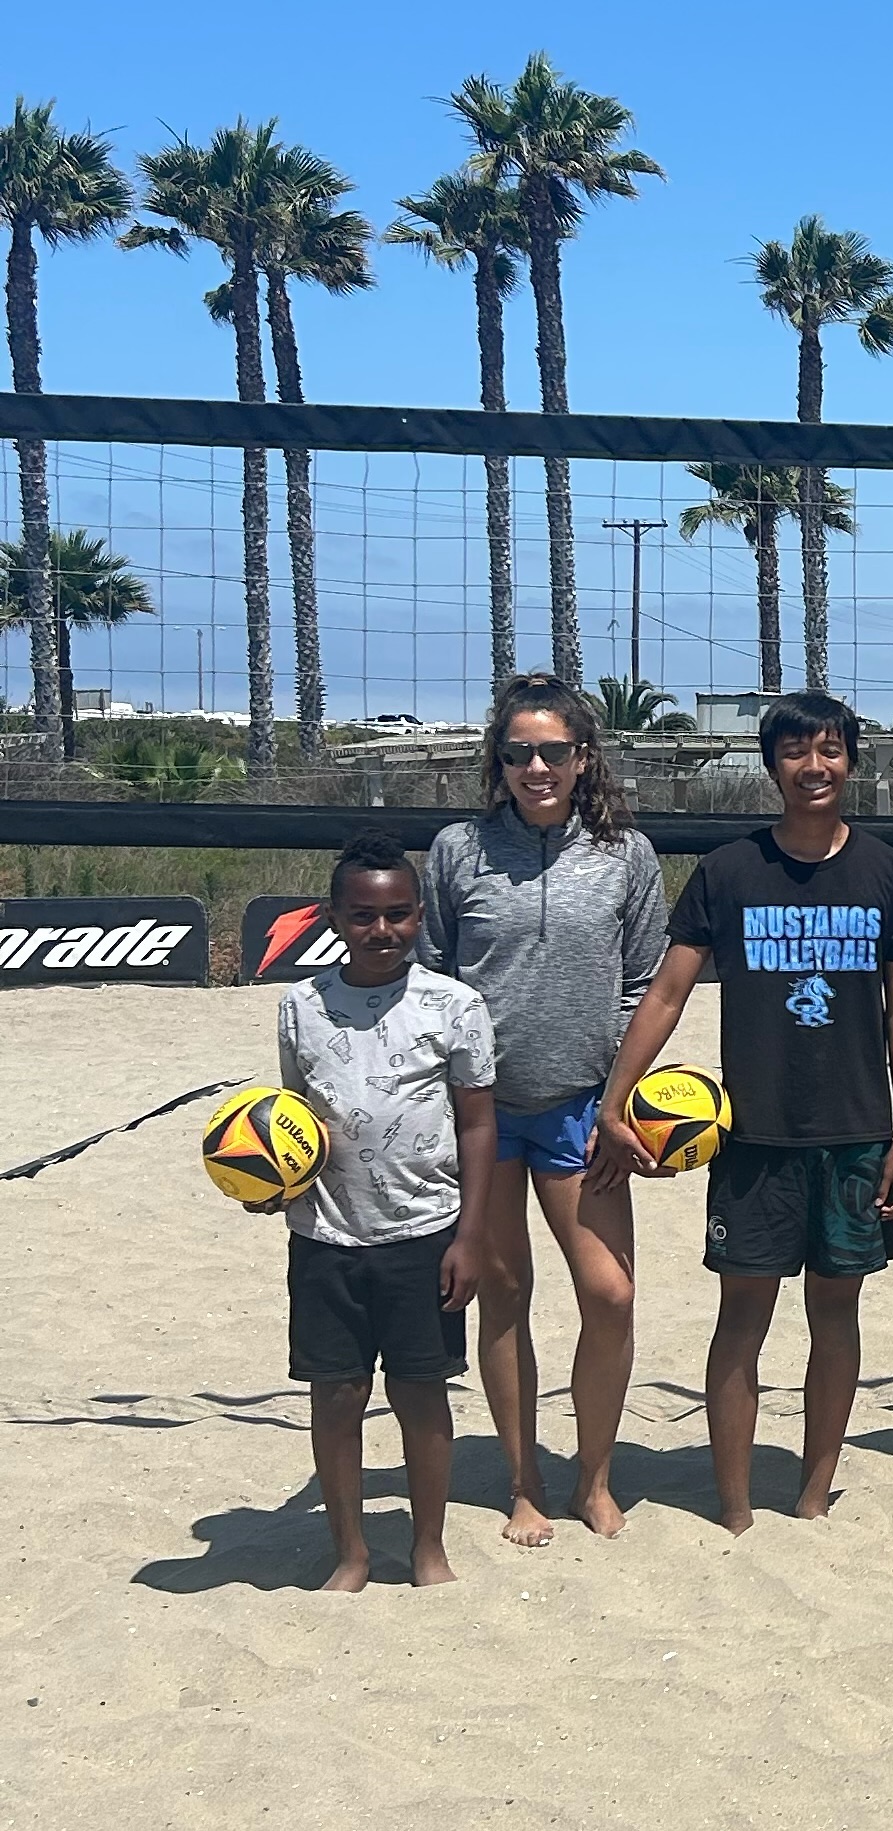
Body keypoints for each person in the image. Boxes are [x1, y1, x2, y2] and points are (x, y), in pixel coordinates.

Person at [594, 692, 893, 1532]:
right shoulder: (729, 870)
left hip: (855, 1135)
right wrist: (615, 1099)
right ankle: (737, 1508)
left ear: (852, 761)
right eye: (794, 752)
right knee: (741, 1319)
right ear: (770, 763)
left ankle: (815, 1493)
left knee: (836, 1314)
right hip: (749, 1137)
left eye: (828, 751)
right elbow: (669, 991)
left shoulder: (888, 873)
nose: (812, 767)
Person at [421, 674, 666, 1543]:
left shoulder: (626, 856)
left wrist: (619, 1099)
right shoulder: (457, 849)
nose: (535, 766)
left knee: (609, 1295)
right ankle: (525, 1481)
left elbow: (645, 985)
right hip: (481, 1110)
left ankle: (594, 1477)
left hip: (581, 1107)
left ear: (583, 757)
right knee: (506, 1293)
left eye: (553, 751)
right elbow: (433, 980)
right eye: (518, 751)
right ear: (499, 760)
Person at [274, 831, 495, 1590]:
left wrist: (471, 1234)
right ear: (333, 917)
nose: (382, 931)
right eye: (364, 916)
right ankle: (352, 1553)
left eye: (399, 914)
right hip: (326, 1235)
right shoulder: (300, 1008)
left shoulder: (454, 1006)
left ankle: (427, 1547)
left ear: (420, 916)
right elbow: (290, 1121)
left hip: (424, 1233)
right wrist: (270, 1184)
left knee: (420, 1390)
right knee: (336, 1392)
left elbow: (477, 1123)